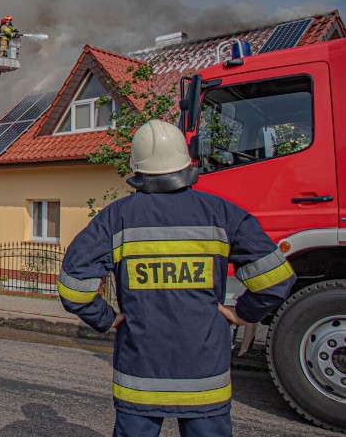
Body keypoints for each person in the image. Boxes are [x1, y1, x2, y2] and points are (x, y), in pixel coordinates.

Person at [56, 120, 296, 437]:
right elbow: (276, 279)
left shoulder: (116, 218)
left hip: (140, 376)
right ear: (186, 163)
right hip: (205, 377)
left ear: (136, 167)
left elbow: (73, 288)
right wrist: (242, 313)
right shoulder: (222, 214)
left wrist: (108, 318)